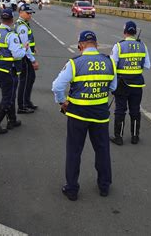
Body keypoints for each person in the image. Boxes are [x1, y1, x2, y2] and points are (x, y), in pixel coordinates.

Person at [52, 30, 117, 201]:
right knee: (102, 150)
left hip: (78, 115)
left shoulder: (75, 63)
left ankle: (72, 189)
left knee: (74, 151)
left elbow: (57, 86)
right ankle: (104, 186)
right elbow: (113, 87)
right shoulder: (109, 62)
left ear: (80, 45)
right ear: (96, 44)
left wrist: (62, 102)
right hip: (100, 114)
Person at [109, 21, 151, 145]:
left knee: (120, 110)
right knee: (135, 110)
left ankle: (119, 137)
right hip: (137, 84)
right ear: (135, 32)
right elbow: (147, 65)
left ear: (125, 32)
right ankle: (134, 137)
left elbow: (112, 65)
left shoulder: (119, 46)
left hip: (122, 83)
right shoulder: (143, 45)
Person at [0, 9, 27, 134]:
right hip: (8, 69)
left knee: (10, 95)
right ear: (12, 20)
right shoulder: (11, 35)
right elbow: (17, 55)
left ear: (1, 19)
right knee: (8, 98)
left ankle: (12, 120)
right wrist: (24, 48)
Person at [15, 4, 39, 114]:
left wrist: (34, 48)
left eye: (31, 13)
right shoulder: (22, 26)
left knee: (30, 79)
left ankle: (27, 102)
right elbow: (25, 45)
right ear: (21, 12)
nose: (30, 15)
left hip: (25, 55)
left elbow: (28, 42)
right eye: (28, 13)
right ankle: (22, 105)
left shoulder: (23, 24)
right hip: (24, 57)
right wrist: (33, 60)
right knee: (25, 81)